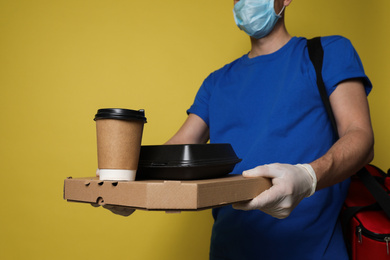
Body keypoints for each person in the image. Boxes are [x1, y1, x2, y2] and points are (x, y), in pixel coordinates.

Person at [100, 0, 374, 259]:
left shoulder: (329, 53)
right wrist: (127, 184)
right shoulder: (216, 82)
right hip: (228, 251)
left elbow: (360, 136)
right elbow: (179, 147)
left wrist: (308, 178)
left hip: (312, 251)